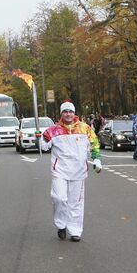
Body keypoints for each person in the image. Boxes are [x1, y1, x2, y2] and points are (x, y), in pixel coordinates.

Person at [39, 101, 101, 242]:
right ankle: (61, 225)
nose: (68, 114)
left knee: (76, 203)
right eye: (65, 111)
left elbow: (95, 144)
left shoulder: (85, 128)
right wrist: (40, 138)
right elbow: (44, 147)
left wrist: (97, 160)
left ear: (74, 113)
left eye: (70, 111)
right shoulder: (53, 130)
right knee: (59, 198)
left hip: (78, 172)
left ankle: (75, 230)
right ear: (61, 113)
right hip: (60, 171)